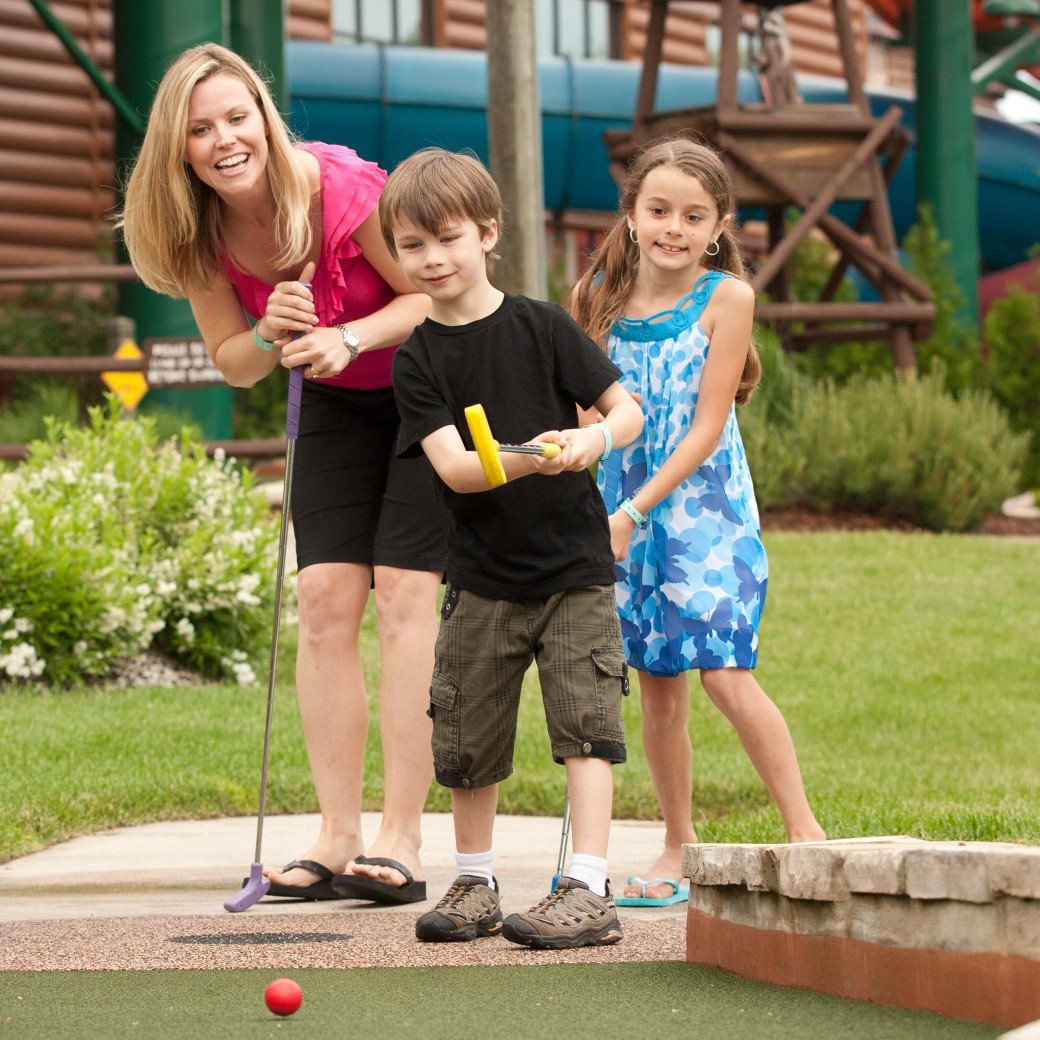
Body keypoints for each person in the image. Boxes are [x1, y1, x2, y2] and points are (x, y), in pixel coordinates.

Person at [120, 43, 449, 904]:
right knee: (324, 603)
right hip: (334, 404)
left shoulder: (341, 189)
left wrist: (348, 335)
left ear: (263, 118)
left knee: (407, 597)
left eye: (237, 117)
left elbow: (428, 299)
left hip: (423, 391)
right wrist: (271, 333)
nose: (225, 140)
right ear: (178, 147)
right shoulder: (198, 230)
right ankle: (337, 834)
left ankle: (401, 837)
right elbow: (233, 360)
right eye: (201, 129)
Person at [379, 148, 644, 948]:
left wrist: (590, 440)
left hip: (573, 570)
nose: (432, 259)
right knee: (466, 735)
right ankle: (475, 881)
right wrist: (537, 452)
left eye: (447, 238)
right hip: (483, 578)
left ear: (487, 234)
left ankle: (588, 887)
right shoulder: (418, 358)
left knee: (588, 725)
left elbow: (626, 411)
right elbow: (458, 471)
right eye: (412, 246)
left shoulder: (542, 326)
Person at [569, 138, 826, 907]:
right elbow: (587, 418)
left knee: (724, 670)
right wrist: (579, 481)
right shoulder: (595, 299)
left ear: (718, 226)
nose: (672, 228)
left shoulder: (727, 300)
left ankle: (806, 832)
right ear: (633, 213)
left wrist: (635, 509)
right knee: (657, 690)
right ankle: (677, 845)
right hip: (619, 513)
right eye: (658, 211)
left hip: (702, 513)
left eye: (692, 215)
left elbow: (707, 426)